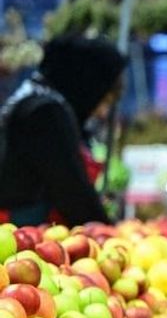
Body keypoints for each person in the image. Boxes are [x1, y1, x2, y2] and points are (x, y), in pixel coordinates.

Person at [0, 35, 126, 226]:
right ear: (87, 84)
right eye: (103, 100)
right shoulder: (46, 112)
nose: (102, 112)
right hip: (21, 231)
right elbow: (72, 193)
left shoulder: (31, 96)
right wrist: (108, 232)